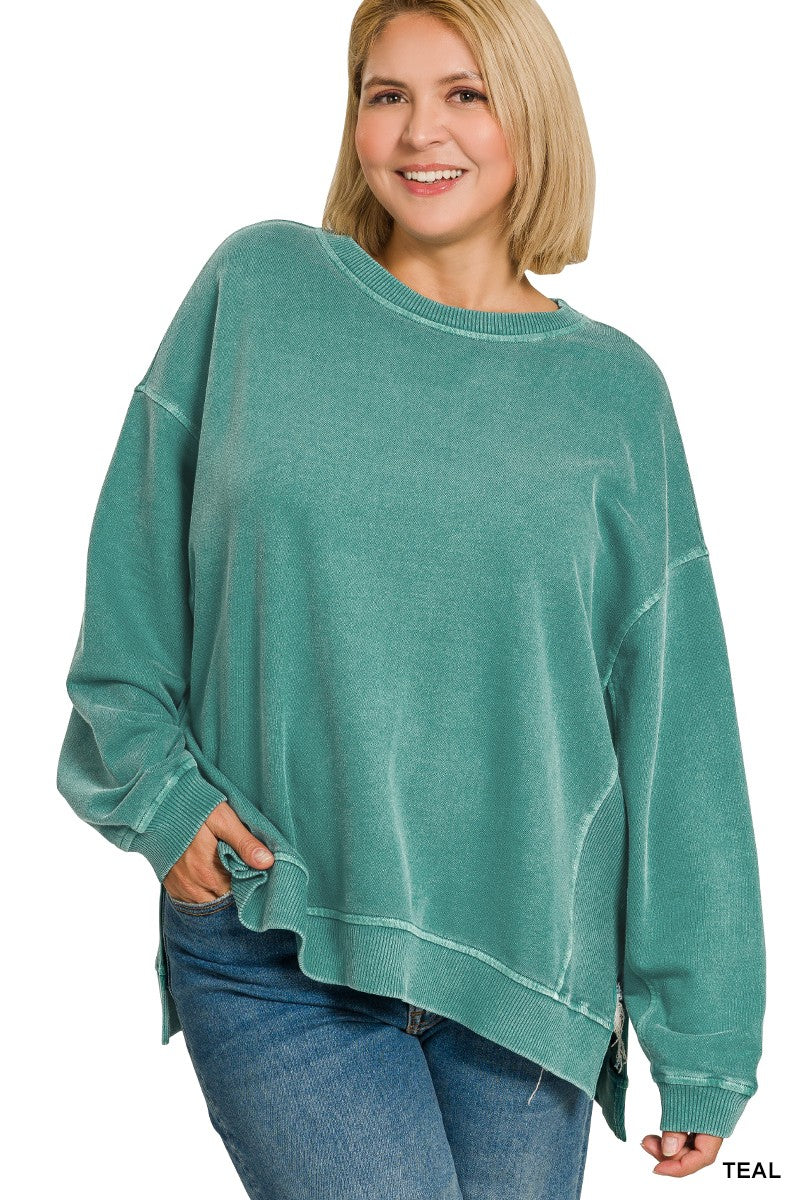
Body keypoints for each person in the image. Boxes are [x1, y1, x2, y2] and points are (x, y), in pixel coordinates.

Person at [56, 1, 766, 1196]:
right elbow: (129, 594)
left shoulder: (612, 395)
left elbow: (672, 724)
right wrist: (162, 798)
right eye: (385, 94)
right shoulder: (258, 290)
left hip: (523, 982)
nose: (418, 130)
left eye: (464, 94)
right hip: (277, 935)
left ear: (531, 117)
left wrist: (700, 1040)